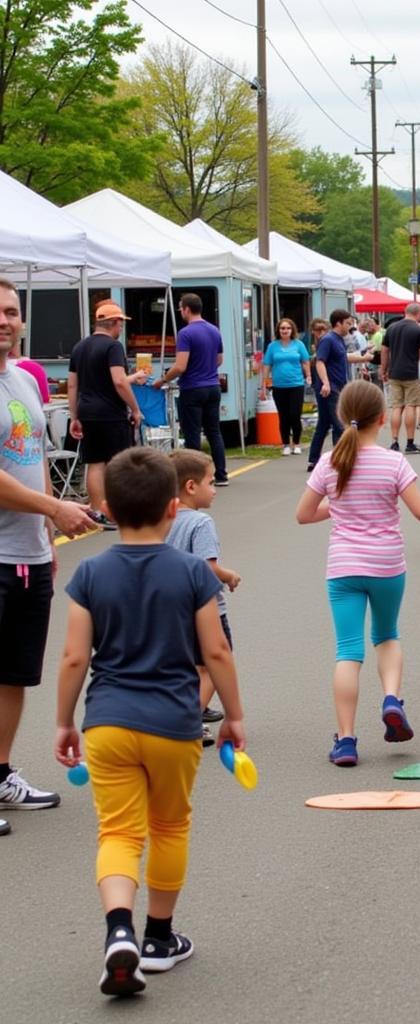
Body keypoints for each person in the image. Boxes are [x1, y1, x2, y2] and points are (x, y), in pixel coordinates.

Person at [53, 447, 245, 996]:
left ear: (108, 508)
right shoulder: (191, 573)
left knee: (117, 832)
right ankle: (159, 938)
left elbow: (73, 658)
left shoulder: (89, 572)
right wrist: (233, 715)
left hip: (108, 722)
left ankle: (119, 932)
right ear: (172, 509)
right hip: (174, 722)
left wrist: (65, 722)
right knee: (168, 827)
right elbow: (217, 654)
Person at [296, 380, 420, 768]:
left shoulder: (331, 462)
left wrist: (339, 508)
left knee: (348, 651)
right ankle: (392, 699)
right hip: (386, 566)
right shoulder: (394, 461)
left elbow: (303, 514)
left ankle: (346, 741)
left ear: (342, 416)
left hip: (344, 567)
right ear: (382, 418)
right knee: (387, 636)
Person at [0, 279, 94, 838]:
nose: (5, 321)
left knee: (13, 676)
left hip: (28, 550)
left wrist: (45, 534)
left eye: (11, 311)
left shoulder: (22, 380)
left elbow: (28, 460)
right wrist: (54, 508)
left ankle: (2, 773)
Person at [165, 450, 241, 748]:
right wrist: (229, 575)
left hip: (170, 607)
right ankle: (188, 720)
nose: (214, 489)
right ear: (191, 486)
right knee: (210, 666)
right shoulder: (200, 522)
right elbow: (206, 567)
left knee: (184, 666)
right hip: (203, 608)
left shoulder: (163, 519)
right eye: (210, 482)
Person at [68, 302, 146, 528]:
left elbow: (73, 385)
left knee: (95, 462)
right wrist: (135, 408)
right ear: (115, 323)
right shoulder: (113, 347)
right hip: (110, 413)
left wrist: (74, 415)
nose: (121, 328)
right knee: (117, 463)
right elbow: (119, 381)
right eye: (121, 323)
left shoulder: (79, 347)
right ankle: (114, 511)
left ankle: (96, 511)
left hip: (87, 411)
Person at [153, 293, 228, 486]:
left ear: (186, 308)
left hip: (192, 388)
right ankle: (221, 474)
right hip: (212, 386)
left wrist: (162, 380)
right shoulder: (214, 330)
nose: (180, 311)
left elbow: (180, 366)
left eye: (180, 308)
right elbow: (220, 360)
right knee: (214, 431)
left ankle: (195, 476)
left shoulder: (185, 333)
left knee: (192, 433)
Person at [306, 311, 373, 472]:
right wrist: (326, 383)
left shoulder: (339, 340)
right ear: (339, 323)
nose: (350, 327)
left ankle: (313, 460)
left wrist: (363, 358)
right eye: (348, 323)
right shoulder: (328, 340)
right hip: (331, 388)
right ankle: (341, 459)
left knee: (323, 423)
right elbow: (320, 362)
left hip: (338, 385)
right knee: (340, 424)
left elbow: (344, 358)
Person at [381, 303, 420, 455]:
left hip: (394, 373)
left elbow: (384, 350)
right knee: (411, 406)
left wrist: (384, 369)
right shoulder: (418, 330)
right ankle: (410, 443)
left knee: (396, 407)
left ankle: (394, 441)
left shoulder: (391, 328)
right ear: (418, 314)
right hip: (411, 373)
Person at [261, 317, 311, 456]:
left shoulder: (299, 344)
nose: (285, 330)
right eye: (282, 328)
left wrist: (308, 375)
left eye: (288, 328)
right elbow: (266, 365)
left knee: (295, 415)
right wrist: (264, 385)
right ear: (279, 330)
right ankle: (286, 444)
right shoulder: (273, 346)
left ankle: (296, 443)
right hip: (279, 385)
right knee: (283, 416)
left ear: (292, 330)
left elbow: (305, 361)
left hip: (296, 384)